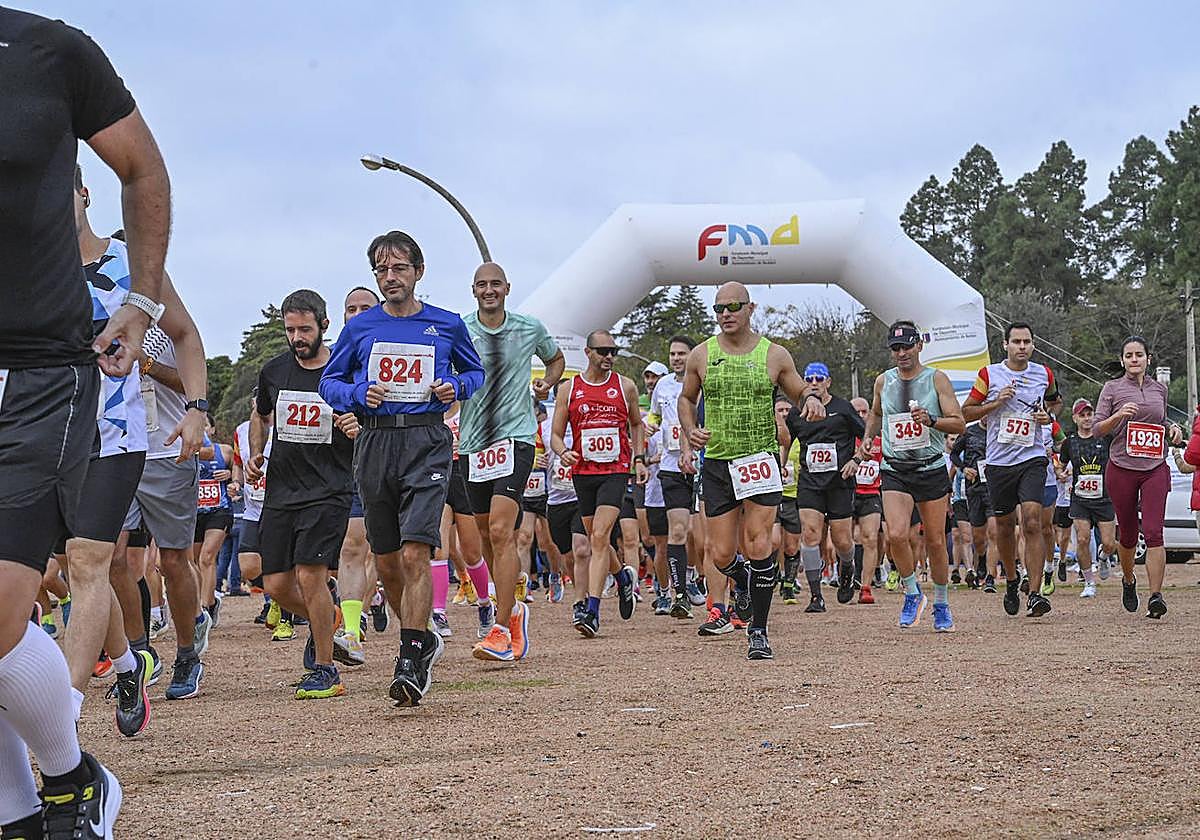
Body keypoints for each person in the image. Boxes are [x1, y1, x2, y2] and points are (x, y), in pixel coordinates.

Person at [1, 8, 173, 838]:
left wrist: (142, 301)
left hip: (39, 372)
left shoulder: (50, 50)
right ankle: (20, 813)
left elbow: (142, 168)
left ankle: (74, 779)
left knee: (12, 606)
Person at [320, 231, 485, 702]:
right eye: (382, 269)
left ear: (418, 271)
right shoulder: (360, 328)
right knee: (389, 561)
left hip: (426, 440)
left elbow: (475, 372)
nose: (390, 277)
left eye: (399, 268)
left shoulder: (446, 324)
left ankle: (410, 657)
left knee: (416, 553)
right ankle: (421, 637)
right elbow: (329, 382)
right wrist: (357, 393)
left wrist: (456, 386)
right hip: (375, 441)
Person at [678, 282, 815, 660]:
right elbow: (686, 398)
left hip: (759, 461)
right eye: (719, 308)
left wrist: (811, 400)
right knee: (720, 553)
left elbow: (798, 390)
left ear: (750, 308)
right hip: (718, 463)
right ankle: (743, 580)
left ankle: (758, 631)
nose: (725, 314)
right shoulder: (702, 354)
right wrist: (690, 429)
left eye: (733, 306)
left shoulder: (774, 354)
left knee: (758, 544)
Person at [249, 290, 358, 700]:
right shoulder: (274, 371)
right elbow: (260, 414)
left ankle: (326, 669)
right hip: (281, 489)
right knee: (276, 585)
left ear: (324, 326)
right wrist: (256, 452)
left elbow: (366, 418)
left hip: (329, 489)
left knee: (311, 574)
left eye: (305, 329)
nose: (297, 337)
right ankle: (327, 618)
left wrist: (356, 426)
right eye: (290, 329)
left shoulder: (343, 371)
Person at [457, 262, 564, 662]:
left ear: (507, 288)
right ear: (473, 290)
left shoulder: (528, 327)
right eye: (482, 284)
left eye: (495, 284)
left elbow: (555, 359)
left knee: (503, 531)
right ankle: (514, 610)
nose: (489, 290)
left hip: (515, 438)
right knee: (486, 535)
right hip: (472, 443)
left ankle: (500, 629)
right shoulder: (460, 329)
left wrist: (547, 383)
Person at [860, 321, 965, 631]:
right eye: (896, 348)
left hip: (930, 468)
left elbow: (959, 423)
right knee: (895, 534)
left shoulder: (936, 379)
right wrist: (868, 437)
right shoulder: (883, 381)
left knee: (935, 541)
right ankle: (912, 592)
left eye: (907, 346)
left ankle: (942, 603)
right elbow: (876, 413)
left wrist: (931, 420)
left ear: (919, 345)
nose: (902, 353)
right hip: (895, 469)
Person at [551, 330, 647, 637]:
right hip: (583, 473)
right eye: (603, 351)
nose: (609, 357)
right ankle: (622, 578)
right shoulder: (569, 389)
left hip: (615, 470)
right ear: (588, 352)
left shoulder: (625, 386)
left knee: (600, 536)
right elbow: (555, 435)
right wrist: (563, 452)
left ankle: (591, 611)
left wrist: (639, 458)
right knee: (597, 539)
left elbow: (636, 424)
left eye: (613, 351)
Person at [962, 322, 1057, 618]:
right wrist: (994, 403)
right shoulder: (989, 374)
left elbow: (1055, 403)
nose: (1022, 346)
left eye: (1027, 341)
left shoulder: (1044, 373)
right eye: (1016, 341)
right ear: (1005, 345)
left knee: (1032, 521)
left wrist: (1047, 416)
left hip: (1033, 457)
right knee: (1004, 527)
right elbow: (967, 411)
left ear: (1033, 345)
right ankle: (1013, 581)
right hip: (1000, 462)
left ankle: (1036, 593)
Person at [1093, 337, 1183, 619]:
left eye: (1139, 355)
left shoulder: (1159, 389)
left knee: (1154, 532)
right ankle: (1128, 579)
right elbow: (1097, 428)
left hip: (1154, 466)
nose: (1134, 359)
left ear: (1148, 359)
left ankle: (1156, 596)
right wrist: (1118, 415)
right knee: (1129, 533)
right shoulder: (1112, 388)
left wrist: (1173, 429)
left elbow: (1160, 421)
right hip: (1122, 467)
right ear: (1122, 360)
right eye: (1129, 355)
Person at [782, 362, 865, 612]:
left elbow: (867, 436)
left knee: (842, 541)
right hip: (810, 483)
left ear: (828, 382)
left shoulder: (843, 408)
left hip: (839, 482)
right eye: (809, 379)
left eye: (819, 378)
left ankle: (847, 567)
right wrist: (781, 464)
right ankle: (816, 596)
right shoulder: (797, 413)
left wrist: (856, 460)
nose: (814, 383)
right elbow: (786, 441)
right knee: (810, 534)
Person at [331, 286, 382, 663]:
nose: (359, 314)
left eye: (367, 308)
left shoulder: (394, 352)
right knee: (352, 547)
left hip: (390, 465)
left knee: (387, 553)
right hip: (345, 469)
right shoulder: (334, 358)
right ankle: (352, 629)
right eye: (352, 309)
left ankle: (414, 624)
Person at [647, 336, 698, 619]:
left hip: (702, 468)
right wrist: (650, 426)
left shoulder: (703, 382)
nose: (676, 358)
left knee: (701, 538)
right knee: (677, 531)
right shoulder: (663, 385)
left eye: (682, 353)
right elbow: (655, 416)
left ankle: (696, 579)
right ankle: (680, 595)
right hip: (671, 466)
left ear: (693, 355)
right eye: (673, 354)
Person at [1058, 399, 1119, 597]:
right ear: (1075, 418)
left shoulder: (1106, 438)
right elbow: (1061, 465)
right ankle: (1089, 582)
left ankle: (1103, 557)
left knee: (1109, 543)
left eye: (1089, 414)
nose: (1086, 418)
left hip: (1104, 497)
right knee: (1082, 539)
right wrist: (1060, 473)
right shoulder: (1070, 442)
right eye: (1082, 415)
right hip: (1080, 498)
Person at [193, 416, 234, 625]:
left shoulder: (225, 451)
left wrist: (230, 475)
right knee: (193, 562)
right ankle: (208, 602)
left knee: (207, 557)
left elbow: (238, 475)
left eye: (205, 426)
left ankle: (205, 608)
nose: (202, 430)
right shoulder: (186, 451)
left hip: (220, 510)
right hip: (193, 513)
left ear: (212, 430)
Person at [950, 422, 998, 592]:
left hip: (994, 488)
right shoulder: (969, 432)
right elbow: (954, 455)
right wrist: (964, 468)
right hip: (974, 489)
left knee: (994, 532)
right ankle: (982, 559)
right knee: (978, 538)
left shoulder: (999, 428)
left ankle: (991, 577)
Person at [850, 397, 883, 603]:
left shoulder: (879, 440)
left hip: (871, 493)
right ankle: (847, 575)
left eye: (864, 412)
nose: (861, 416)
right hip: (848, 493)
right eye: (857, 412)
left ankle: (866, 587)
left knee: (870, 538)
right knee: (846, 540)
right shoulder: (844, 438)